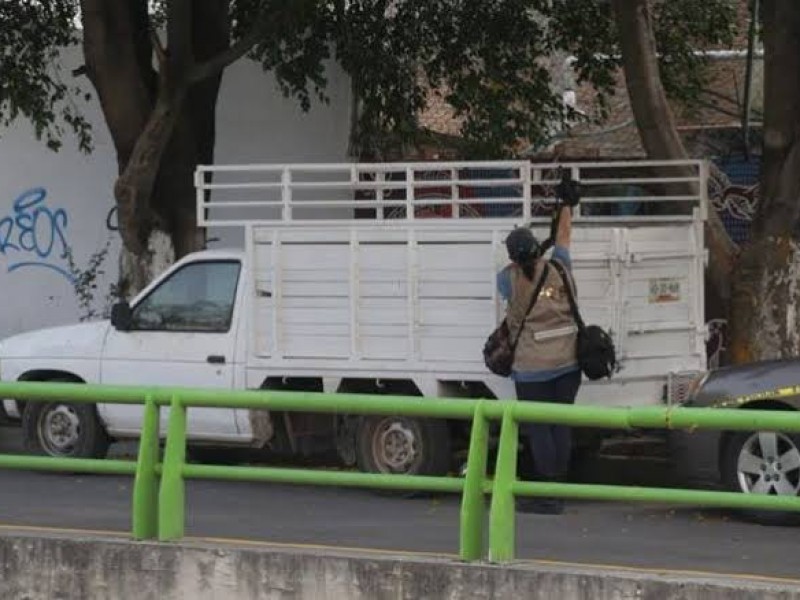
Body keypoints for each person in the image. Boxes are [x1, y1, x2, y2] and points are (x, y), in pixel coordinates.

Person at [496, 184, 581, 515]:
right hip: (569, 362)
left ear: (512, 256)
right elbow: (563, 238)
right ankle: (558, 487)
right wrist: (566, 206)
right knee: (560, 425)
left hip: (532, 367)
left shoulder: (507, 279)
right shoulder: (560, 267)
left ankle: (548, 495)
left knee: (539, 429)